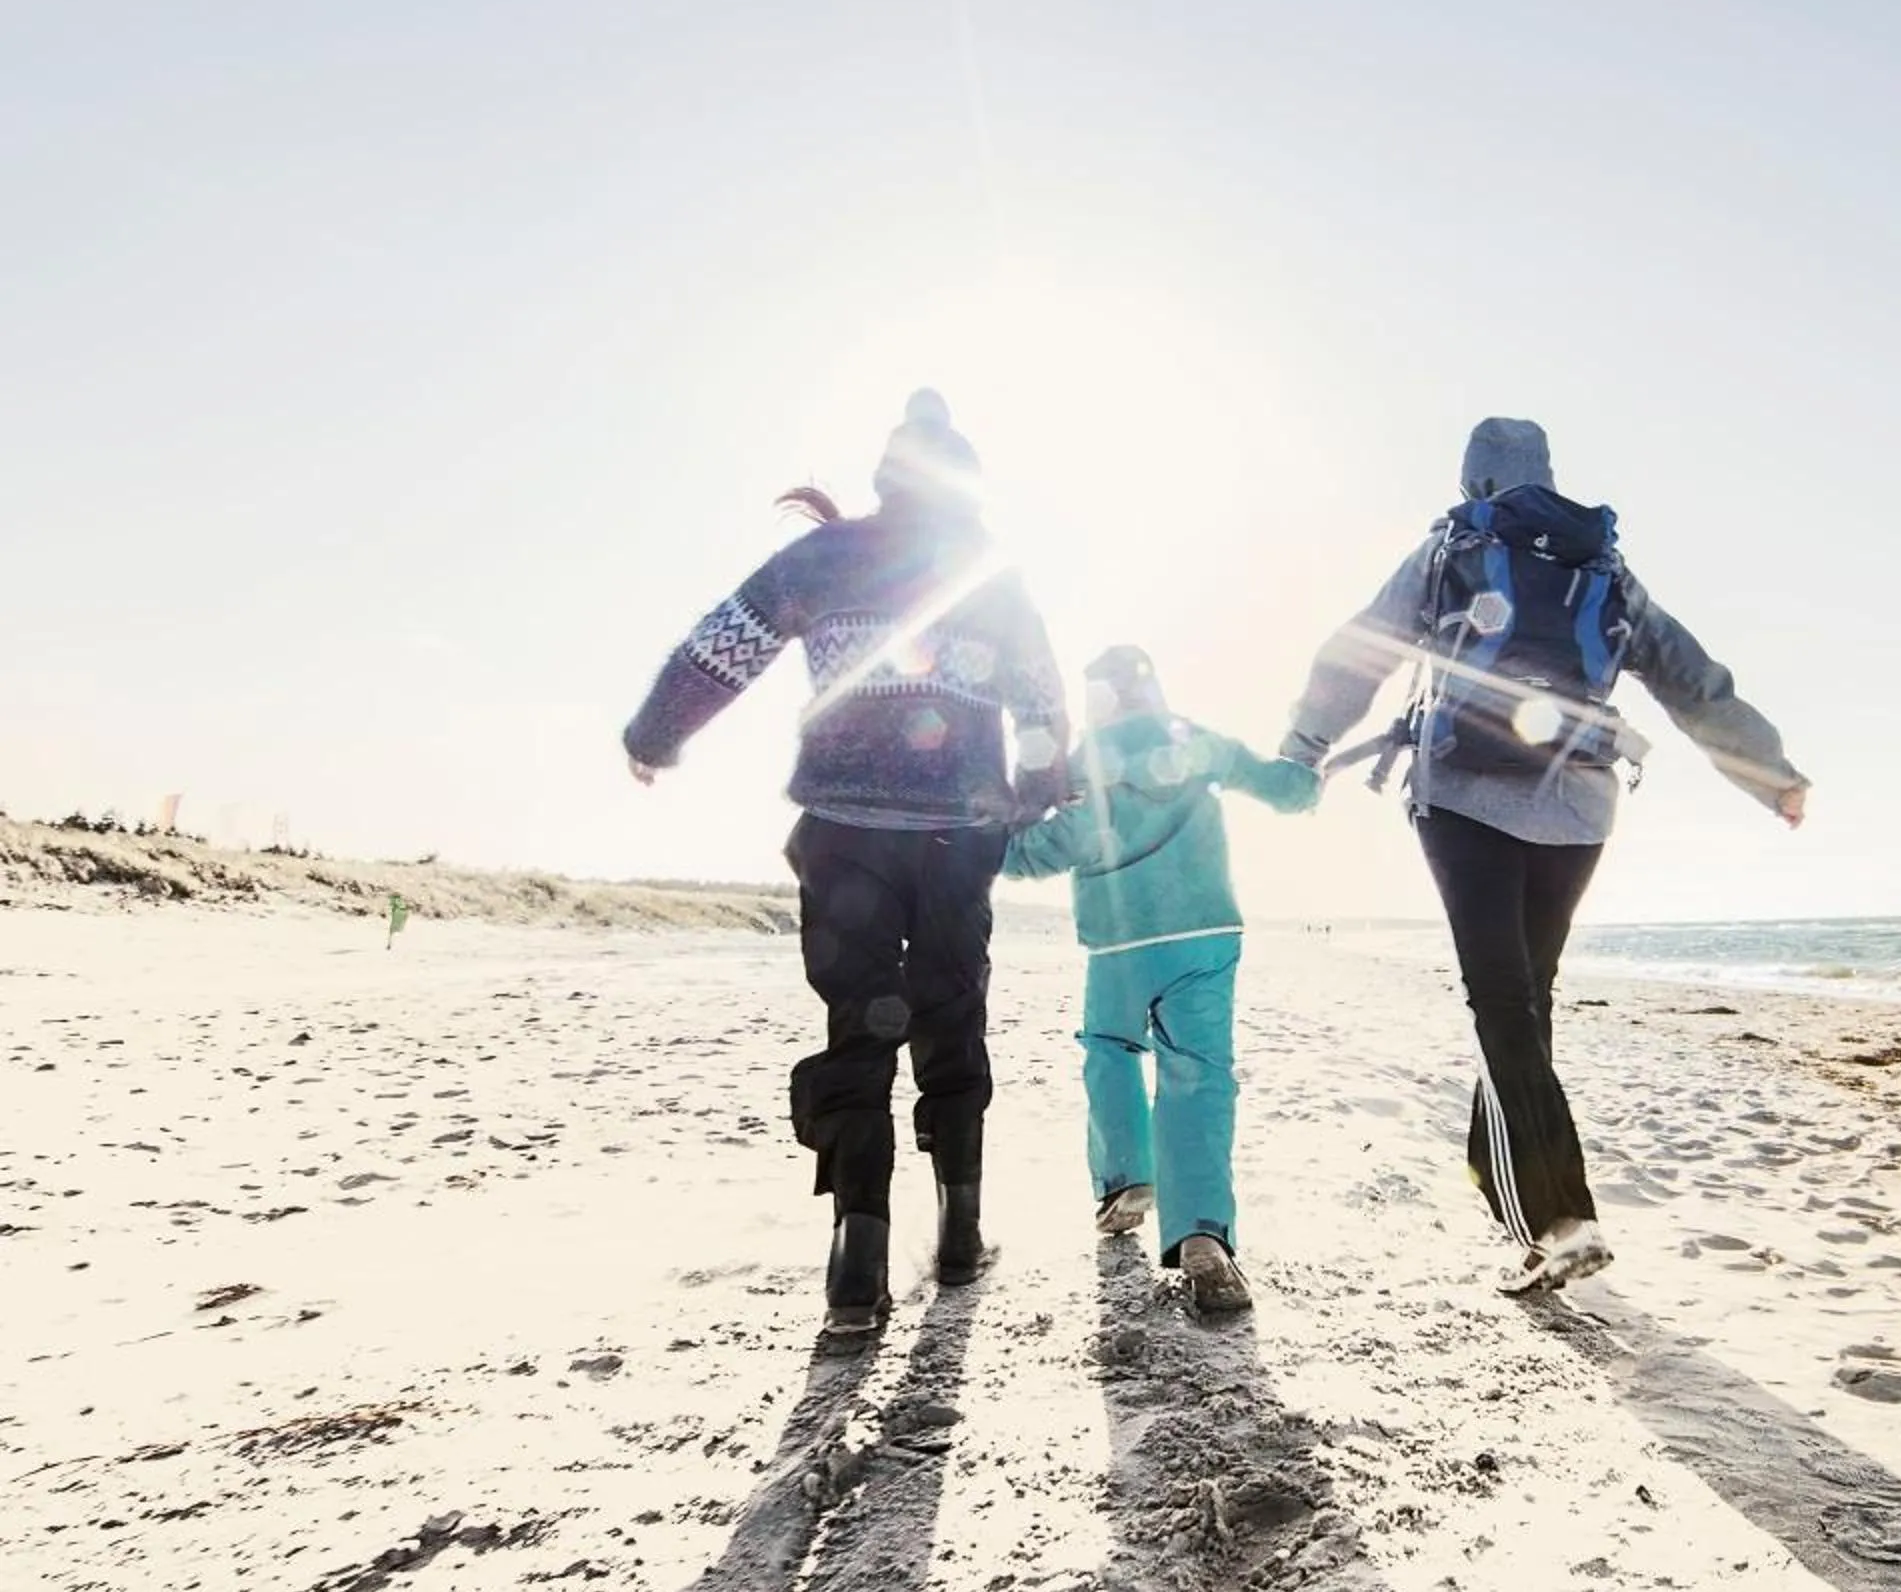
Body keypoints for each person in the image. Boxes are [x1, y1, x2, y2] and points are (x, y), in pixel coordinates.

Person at [1277, 417, 1806, 1295]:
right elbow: (1692, 679)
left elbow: (1360, 651)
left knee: (1501, 1004)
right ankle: (1520, 1205)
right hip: (1578, 807)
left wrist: (1303, 747)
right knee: (1526, 1001)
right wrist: (1771, 775)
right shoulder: (1602, 567)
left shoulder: (1454, 545)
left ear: (1471, 479)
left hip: (1463, 796)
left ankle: (1561, 1219)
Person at [621, 390, 1068, 1343]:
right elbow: (1040, 703)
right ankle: (960, 1232)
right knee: (953, 1014)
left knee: (858, 1028)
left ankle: (856, 1260)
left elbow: (719, 650)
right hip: (956, 835)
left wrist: (654, 736)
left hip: (845, 832)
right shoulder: (991, 573)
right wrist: (1032, 792)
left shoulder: (824, 557)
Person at [1002, 645, 1321, 1314]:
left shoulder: (1085, 765)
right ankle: (1202, 1232)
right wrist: (1309, 773)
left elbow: (1038, 852)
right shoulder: (1197, 741)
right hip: (1205, 932)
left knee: (1111, 1049)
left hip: (1120, 940)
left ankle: (1126, 1180)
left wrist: (1003, 837)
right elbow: (1283, 788)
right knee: (1199, 1073)